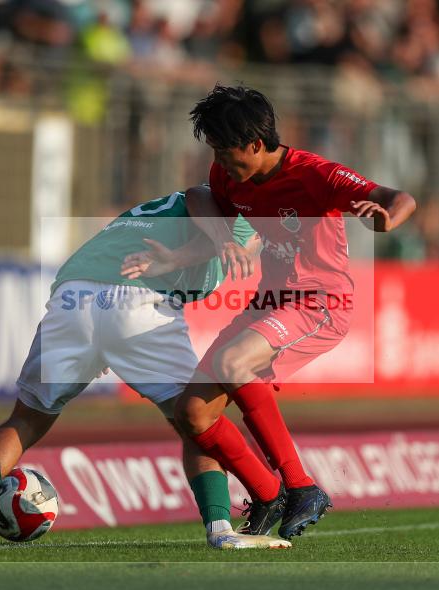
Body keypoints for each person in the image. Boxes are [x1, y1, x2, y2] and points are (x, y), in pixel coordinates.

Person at [0, 189, 290, 550]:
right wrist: (228, 240)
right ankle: (221, 530)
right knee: (200, 423)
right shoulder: (239, 213)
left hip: (72, 298)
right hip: (138, 301)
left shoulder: (160, 212)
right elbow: (201, 195)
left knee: (26, 418)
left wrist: (98, 343)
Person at [169, 84, 416, 539]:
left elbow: (400, 198)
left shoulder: (317, 175)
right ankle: (267, 494)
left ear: (256, 144)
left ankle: (301, 486)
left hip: (320, 303)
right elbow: (197, 194)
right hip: (268, 304)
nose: (220, 161)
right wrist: (224, 238)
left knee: (231, 362)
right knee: (191, 414)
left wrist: (387, 220)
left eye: (225, 151)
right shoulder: (229, 175)